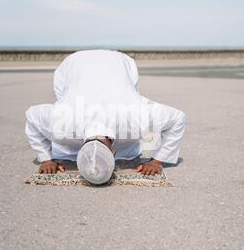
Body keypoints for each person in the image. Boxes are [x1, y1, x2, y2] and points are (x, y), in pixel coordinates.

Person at [25, 49, 186, 184]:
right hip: (75, 72)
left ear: (114, 154)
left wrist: (157, 161)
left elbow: (178, 118)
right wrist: (46, 158)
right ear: (114, 154)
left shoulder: (135, 118)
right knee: (66, 98)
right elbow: (31, 117)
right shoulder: (64, 121)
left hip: (114, 63)